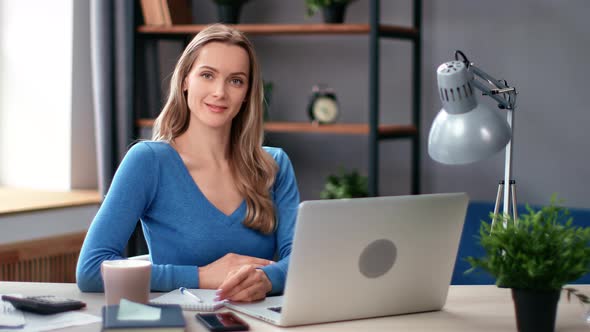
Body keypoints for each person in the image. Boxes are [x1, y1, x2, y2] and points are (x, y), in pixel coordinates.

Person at [76, 24, 300, 303]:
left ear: (246, 94)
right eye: (207, 75)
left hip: (257, 322)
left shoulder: (274, 165)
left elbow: (301, 262)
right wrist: (203, 276)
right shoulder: (148, 161)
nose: (220, 92)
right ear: (185, 80)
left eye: (236, 80)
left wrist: (267, 279)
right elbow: (90, 270)